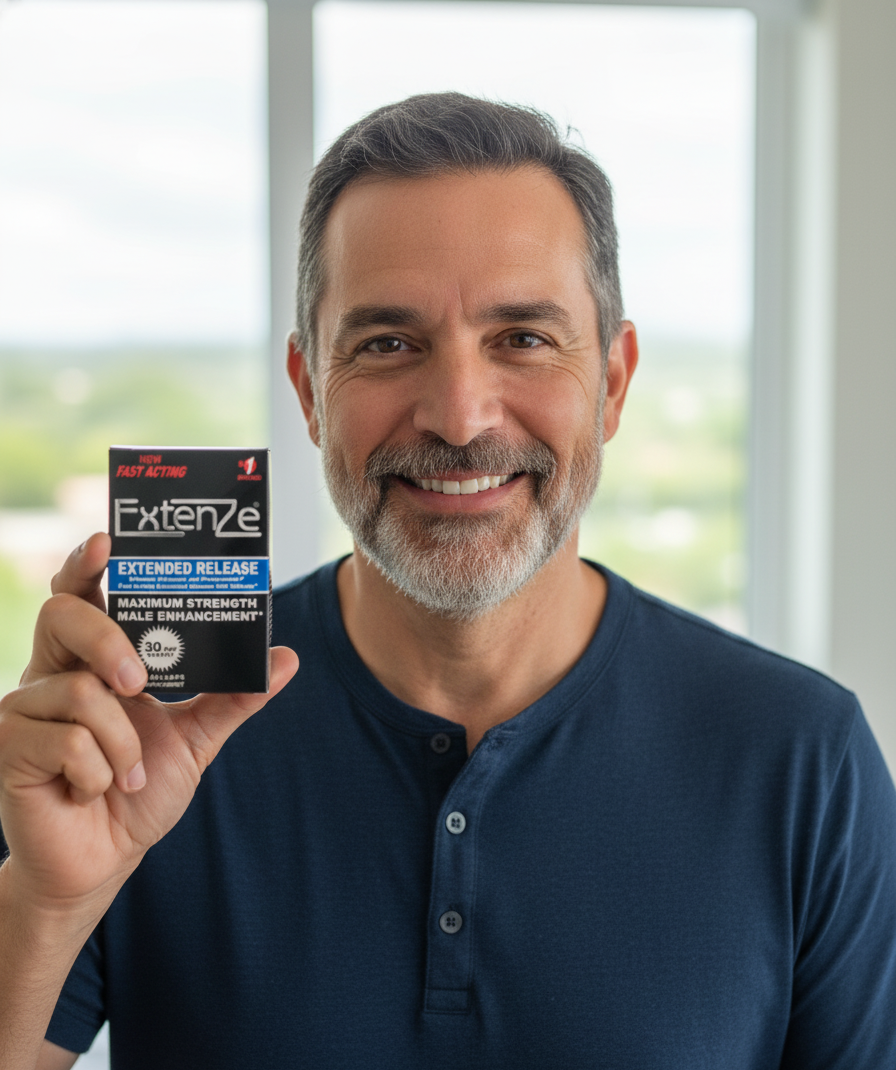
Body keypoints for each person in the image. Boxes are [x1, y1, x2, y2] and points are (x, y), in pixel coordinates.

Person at [1, 92, 895, 1070]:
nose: (461, 417)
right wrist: (45, 902)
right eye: (387, 343)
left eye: (521, 338)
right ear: (308, 391)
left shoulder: (801, 758)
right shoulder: (149, 733)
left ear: (611, 381)